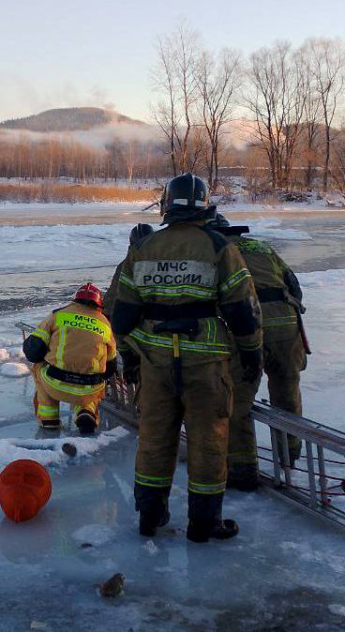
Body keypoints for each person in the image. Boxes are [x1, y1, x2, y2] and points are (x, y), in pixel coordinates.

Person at [111, 173, 263, 543]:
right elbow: (243, 310)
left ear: (166, 206)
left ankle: (149, 516)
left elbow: (122, 318)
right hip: (206, 366)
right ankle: (204, 524)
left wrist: (137, 356)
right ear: (205, 206)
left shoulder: (144, 249)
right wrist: (252, 353)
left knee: (154, 439)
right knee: (208, 441)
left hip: (157, 365)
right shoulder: (218, 247)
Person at [206, 213, 308, 491]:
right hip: (287, 324)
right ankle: (289, 456)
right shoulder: (262, 247)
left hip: (250, 326)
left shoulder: (217, 252)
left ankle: (242, 468)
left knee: (238, 399)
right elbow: (294, 285)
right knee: (287, 391)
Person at [21, 283, 117, 434]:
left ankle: (49, 419)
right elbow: (111, 363)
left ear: (75, 300)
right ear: (99, 304)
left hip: (56, 384)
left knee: (38, 367)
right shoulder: (105, 324)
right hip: (89, 388)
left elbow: (34, 350)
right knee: (93, 380)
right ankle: (87, 410)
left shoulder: (58, 315)